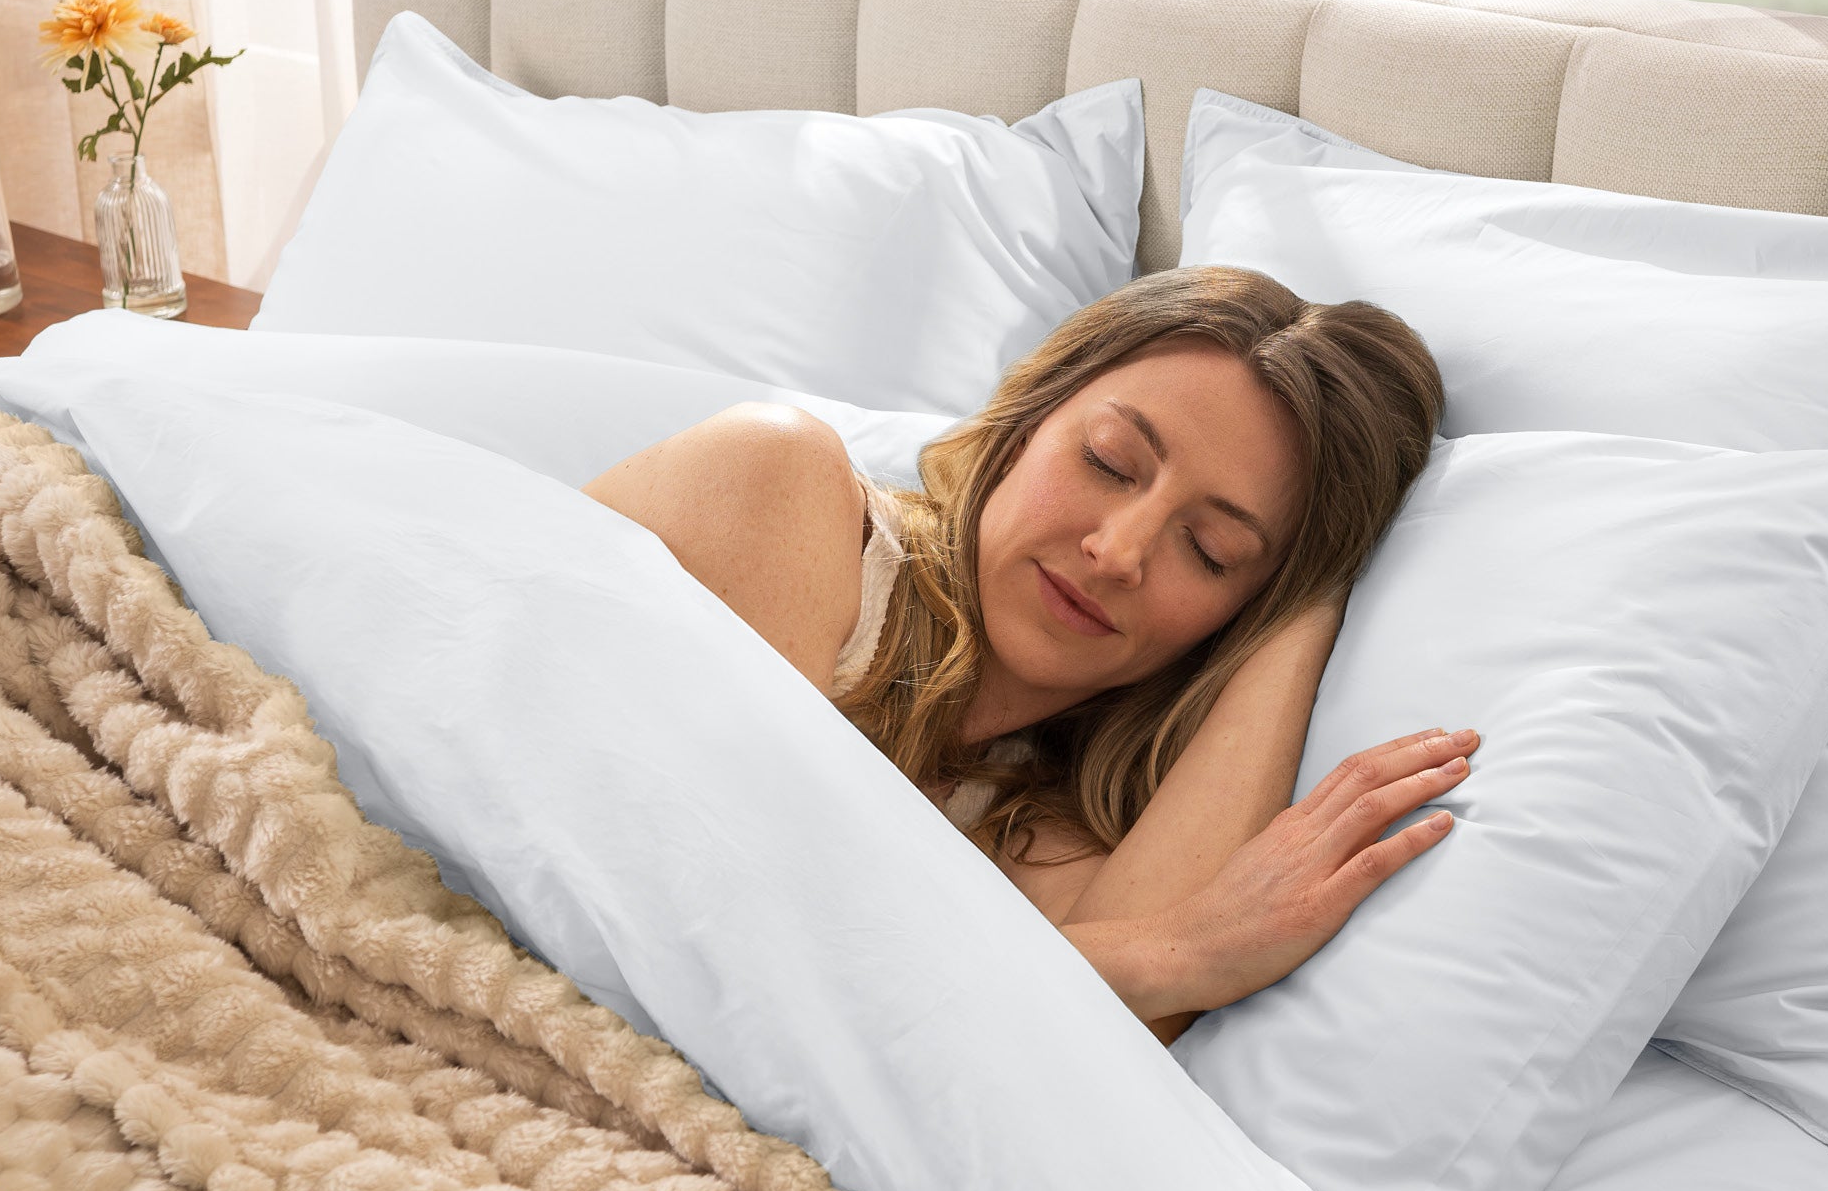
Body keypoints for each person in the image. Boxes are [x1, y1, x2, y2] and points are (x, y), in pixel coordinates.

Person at [586, 265, 1466, 1039]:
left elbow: (1086, 1067)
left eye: (1210, 551)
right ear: (1028, 418)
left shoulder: (1037, 827)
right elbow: (723, 940)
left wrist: (1305, 603)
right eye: (1110, 462)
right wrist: (1178, 952)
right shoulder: (776, 478)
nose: (1118, 553)